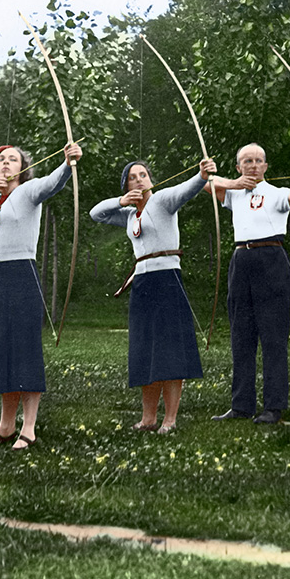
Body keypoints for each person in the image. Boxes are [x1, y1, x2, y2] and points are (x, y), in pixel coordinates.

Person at [0, 142, 81, 450]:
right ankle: (5, 425)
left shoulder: (29, 192)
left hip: (22, 273)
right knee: (2, 351)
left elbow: (55, 182)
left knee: (24, 349)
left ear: (23, 168)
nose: (7, 164)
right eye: (1, 160)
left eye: (13, 159)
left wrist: (68, 162)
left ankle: (29, 427)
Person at [208, 143, 290, 424]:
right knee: (241, 335)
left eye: (259, 161)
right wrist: (235, 183)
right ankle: (241, 405)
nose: (254, 165)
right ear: (238, 166)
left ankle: (273, 406)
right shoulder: (233, 194)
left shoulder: (276, 194)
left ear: (266, 167)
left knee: (272, 337)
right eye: (247, 161)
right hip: (241, 260)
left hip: (271, 259)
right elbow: (208, 184)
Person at [90, 157, 216, 432]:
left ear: (151, 179)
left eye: (143, 175)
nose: (139, 180)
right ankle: (148, 418)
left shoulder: (163, 201)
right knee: (146, 349)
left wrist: (202, 175)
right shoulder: (128, 213)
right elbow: (95, 213)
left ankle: (169, 419)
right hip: (143, 282)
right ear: (126, 186)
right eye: (132, 177)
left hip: (167, 279)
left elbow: (188, 188)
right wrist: (121, 201)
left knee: (170, 351)